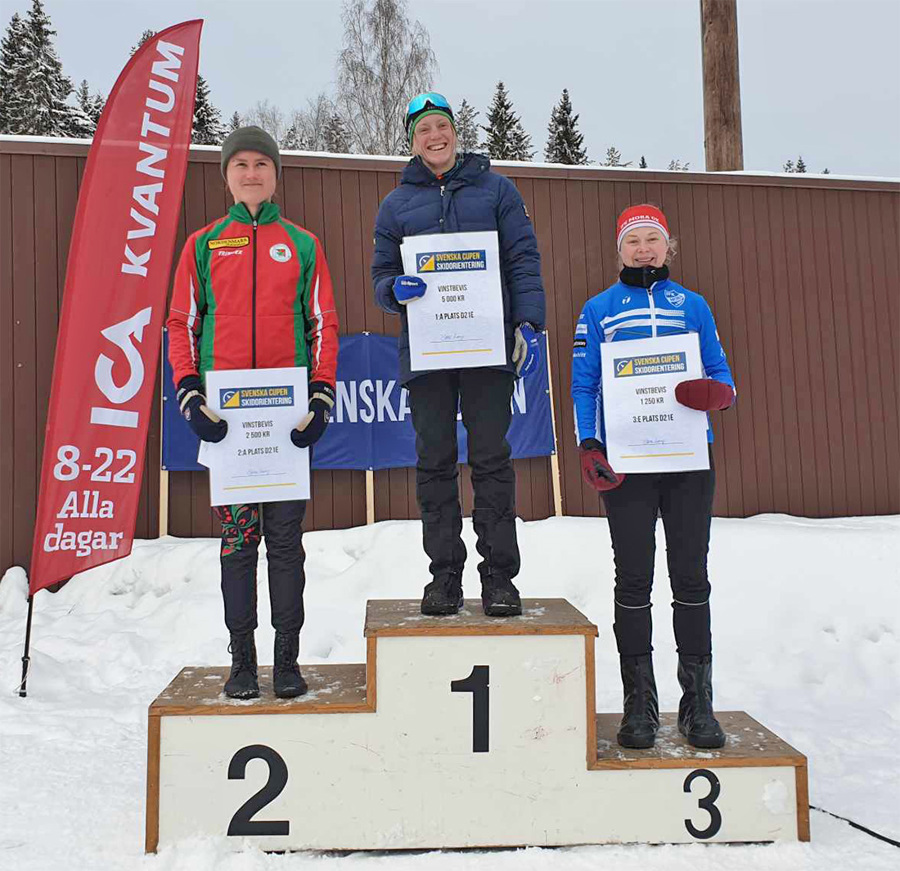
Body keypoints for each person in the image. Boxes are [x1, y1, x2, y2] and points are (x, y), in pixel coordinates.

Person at [166, 126, 339, 700]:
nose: (250, 172)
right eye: (239, 163)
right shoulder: (203, 244)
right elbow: (181, 324)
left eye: (260, 162)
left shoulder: (303, 244)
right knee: (240, 542)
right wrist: (190, 393)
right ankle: (242, 661)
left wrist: (320, 396)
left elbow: (323, 325)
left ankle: (286, 659)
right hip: (229, 423)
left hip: (285, 424)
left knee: (286, 543)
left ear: (275, 172)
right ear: (225, 175)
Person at [372, 93, 545, 618]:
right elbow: (381, 274)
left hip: (487, 349)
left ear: (455, 131)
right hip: (428, 355)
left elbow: (522, 257)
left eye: (442, 125)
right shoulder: (395, 205)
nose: (434, 136)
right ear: (412, 140)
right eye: (423, 129)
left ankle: (499, 577)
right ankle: (444, 576)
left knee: (492, 459)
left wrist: (527, 322)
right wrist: (392, 290)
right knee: (435, 463)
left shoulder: (498, 190)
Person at [571, 204, 735, 750]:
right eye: (633, 241)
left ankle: (697, 702)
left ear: (669, 246)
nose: (643, 249)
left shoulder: (693, 305)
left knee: (691, 578)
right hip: (628, 465)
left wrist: (718, 395)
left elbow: (720, 373)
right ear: (618, 250)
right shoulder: (599, 309)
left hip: (688, 462)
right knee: (633, 579)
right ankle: (639, 702)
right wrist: (590, 443)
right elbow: (585, 384)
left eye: (652, 240)